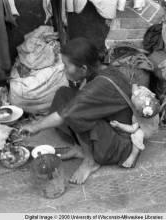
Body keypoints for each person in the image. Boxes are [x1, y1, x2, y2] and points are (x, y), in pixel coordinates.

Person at [19, 37, 141, 184]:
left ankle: (91, 162)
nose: (63, 70)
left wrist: (34, 127)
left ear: (83, 68)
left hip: (120, 145)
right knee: (63, 94)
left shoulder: (100, 85)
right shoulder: (103, 70)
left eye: (66, 66)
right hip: (110, 127)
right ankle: (80, 148)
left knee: (76, 115)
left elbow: (67, 114)